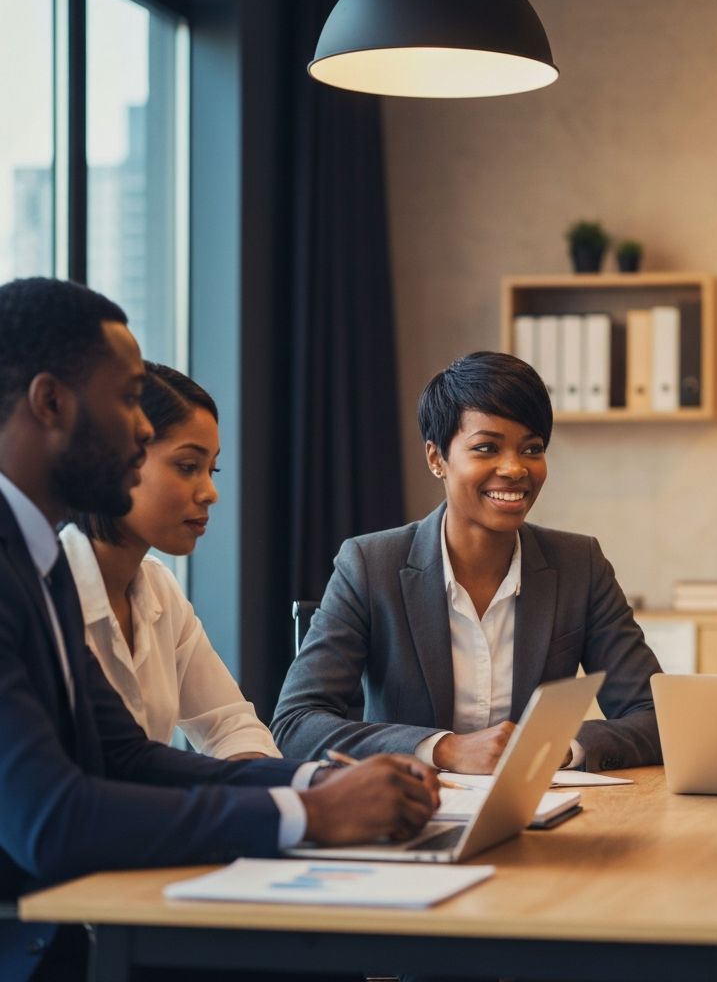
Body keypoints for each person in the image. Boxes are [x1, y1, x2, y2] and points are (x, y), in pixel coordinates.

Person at [0, 278, 438, 982]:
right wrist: (308, 814)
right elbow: (52, 822)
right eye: (126, 398)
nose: (142, 428)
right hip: (41, 944)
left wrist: (313, 781)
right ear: (50, 402)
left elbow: (129, 756)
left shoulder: (35, 558)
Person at [272, 350, 662, 774]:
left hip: (542, 811)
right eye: (486, 448)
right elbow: (296, 723)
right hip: (415, 815)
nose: (515, 469)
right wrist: (443, 749)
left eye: (532, 448)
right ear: (436, 458)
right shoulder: (370, 565)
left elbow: (654, 716)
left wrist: (558, 747)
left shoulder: (579, 565)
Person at [62, 362, 278, 759]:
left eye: (211, 470)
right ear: (117, 458)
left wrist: (262, 783)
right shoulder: (42, 589)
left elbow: (228, 723)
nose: (210, 492)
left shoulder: (158, 586)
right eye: (187, 467)